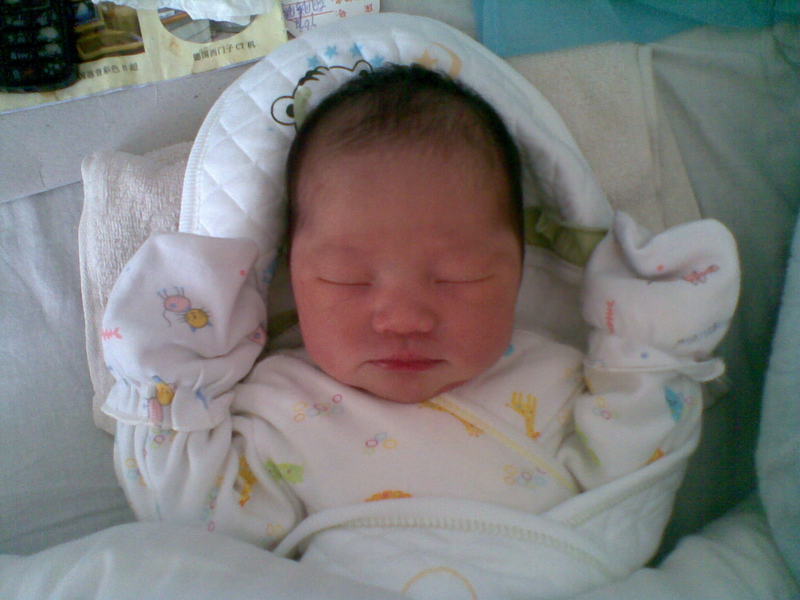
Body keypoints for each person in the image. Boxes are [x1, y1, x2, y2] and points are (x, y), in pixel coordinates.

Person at [102, 64, 738, 566]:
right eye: (348, 278)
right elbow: (201, 533)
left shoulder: (559, 379)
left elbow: (634, 467)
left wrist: (649, 354)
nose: (404, 319)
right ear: (289, 273)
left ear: (522, 269)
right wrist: (174, 379)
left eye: (459, 275)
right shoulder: (273, 405)